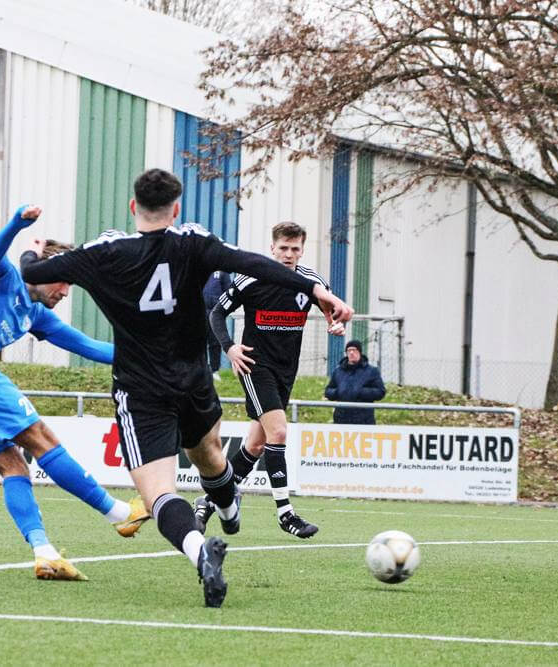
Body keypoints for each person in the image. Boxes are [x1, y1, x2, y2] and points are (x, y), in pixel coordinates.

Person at [20, 170, 352, 607]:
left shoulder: (103, 253)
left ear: (133, 208)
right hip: (193, 378)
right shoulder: (194, 241)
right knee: (209, 453)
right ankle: (229, 509)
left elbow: (33, 271)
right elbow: (254, 263)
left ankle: (201, 553)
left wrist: (31, 247)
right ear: (175, 210)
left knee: (158, 494)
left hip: (140, 389)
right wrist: (317, 290)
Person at [0, 205, 151, 582]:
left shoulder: (39, 316)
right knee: (41, 437)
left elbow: (90, 347)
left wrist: (151, 356)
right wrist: (17, 224)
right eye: (62, 282)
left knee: (13, 464)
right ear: (44, 272)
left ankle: (44, 553)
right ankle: (119, 514)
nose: (65, 291)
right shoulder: (6, 278)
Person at [198, 222, 345, 539]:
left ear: (302, 250)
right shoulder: (252, 278)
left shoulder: (310, 282)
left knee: (256, 443)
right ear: (272, 248)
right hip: (255, 365)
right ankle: (285, 513)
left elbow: (329, 305)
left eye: (295, 249)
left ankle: (208, 504)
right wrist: (230, 347)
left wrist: (335, 323)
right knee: (278, 431)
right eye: (283, 248)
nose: (289, 255)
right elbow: (216, 314)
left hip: (285, 371)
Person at [324, 339, 386, 424]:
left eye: (354, 350)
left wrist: (361, 392)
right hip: (341, 420)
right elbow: (328, 391)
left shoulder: (371, 371)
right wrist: (338, 392)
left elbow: (380, 392)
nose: (351, 353)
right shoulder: (338, 371)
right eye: (349, 350)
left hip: (364, 421)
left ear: (360, 352)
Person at [203, 270, 233, 374]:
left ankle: (214, 370)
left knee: (215, 342)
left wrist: (222, 309)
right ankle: (201, 370)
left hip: (215, 312)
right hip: (198, 312)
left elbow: (228, 291)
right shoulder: (196, 267)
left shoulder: (222, 272)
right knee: (198, 342)